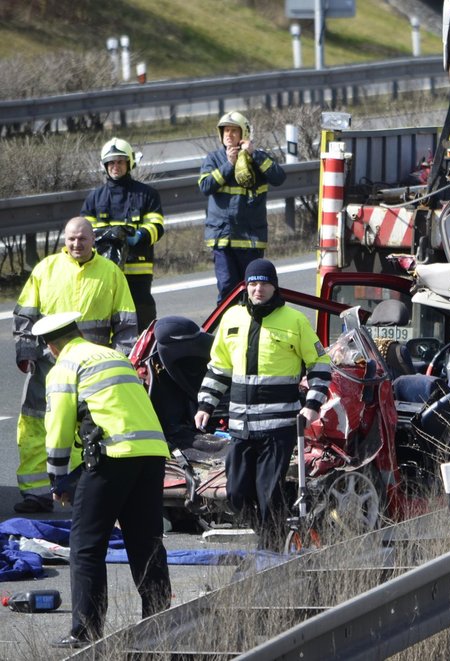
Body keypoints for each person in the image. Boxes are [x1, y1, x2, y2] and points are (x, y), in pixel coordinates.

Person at [36, 311, 170, 649]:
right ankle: (159, 618)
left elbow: (58, 427)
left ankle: (85, 631)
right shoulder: (113, 355)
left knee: (86, 546)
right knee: (146, 542)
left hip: (112, 457)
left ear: (52, 347)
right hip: (151, 451)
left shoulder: (64, 368)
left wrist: (58, 479)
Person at [194, 259, 331, 549]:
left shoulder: (294, 321)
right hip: (241, 429)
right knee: (235, 494)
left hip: (278, 428)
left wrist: (311, 406)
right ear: (246, 285)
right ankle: (274, 531)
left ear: (274, 285)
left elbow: (320, 364)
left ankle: (271, 546)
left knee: (268, 492)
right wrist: (205, 405)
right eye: (253, 283)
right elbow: (219, 368)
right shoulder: (232, 318)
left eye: (264, 283)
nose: (258, 288)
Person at [12, 217, 137, 514]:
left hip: (93, 368)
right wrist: (27, 353)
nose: (76, 244)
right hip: (48, 364)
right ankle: (37, 492)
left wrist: (122, 361)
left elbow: (126, 325)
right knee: (35, 423)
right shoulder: (46, 270)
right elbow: (24, 316)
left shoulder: (111, 274)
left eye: (82, 238)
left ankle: (84, 489)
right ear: (64, 240)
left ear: (93, 239)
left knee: (90, 427)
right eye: (70, 239)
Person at [198, 111, 286, 303]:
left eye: (233, 131)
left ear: (244, 134)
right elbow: (205, 186)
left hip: (250, 239)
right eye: (225, 131)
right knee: (227, 288)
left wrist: (254, 155)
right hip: (223, 239)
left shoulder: (258, 158)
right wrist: (229, 164)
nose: (228, 135)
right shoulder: (214, 159)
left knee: (252, 292)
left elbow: (279, 177)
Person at [81, 137, 166, 332]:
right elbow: (86, 229)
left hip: (138, 269)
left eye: (120, 161)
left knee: (142, 318)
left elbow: (157, 226)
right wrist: (105, 238)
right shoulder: (95, 197)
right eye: (111, 162)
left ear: (129, 163)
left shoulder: (147, 194)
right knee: (106, 318)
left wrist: (139, 237)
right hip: (104, 270)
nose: (115, 166)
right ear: (105, 165)